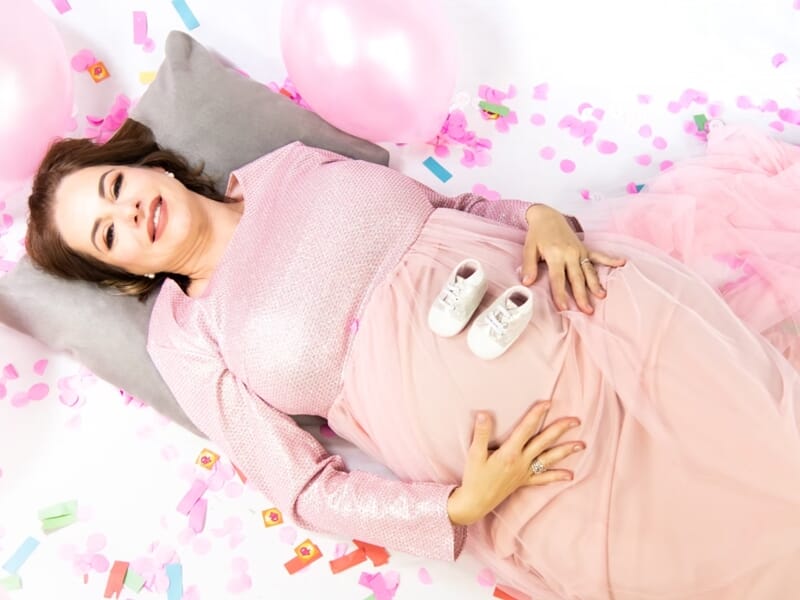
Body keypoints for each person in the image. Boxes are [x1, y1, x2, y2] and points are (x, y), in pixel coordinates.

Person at [26, 118, 800, 599]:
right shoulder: (186, 332)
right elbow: (302, 486)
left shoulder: (289, 167)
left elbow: (453, 210)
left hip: (578, 309)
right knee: (708, 558)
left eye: (115, 186)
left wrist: (540, 219)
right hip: (524, 454)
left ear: (149, 166)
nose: (127, 211)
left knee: (764, 454)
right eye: (107, 233)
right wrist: (454, 507)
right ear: (125, 272)